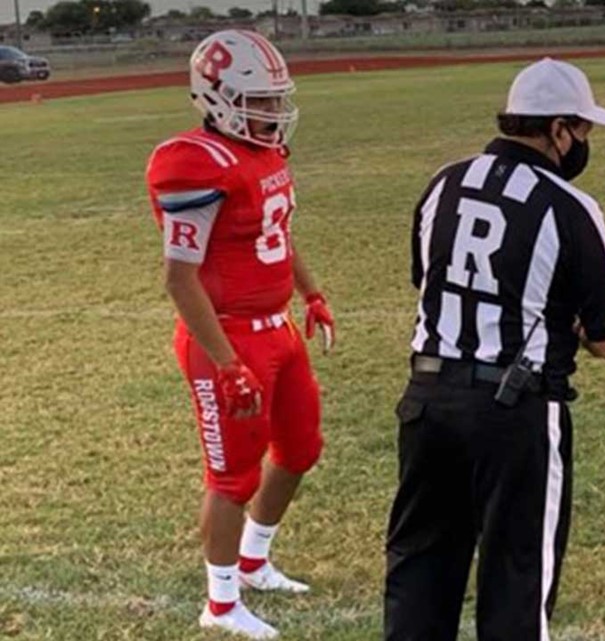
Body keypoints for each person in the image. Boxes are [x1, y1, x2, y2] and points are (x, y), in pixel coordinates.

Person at [384, 58, 605, 640]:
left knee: (420, 568)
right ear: (558, 129)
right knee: (517, 579)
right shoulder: (571, 207)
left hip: (427, 398)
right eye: (583, 131)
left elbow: (430, 279)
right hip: (513, 409)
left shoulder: (443, 181)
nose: (584, 144)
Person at [145, 30, 335, 640]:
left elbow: (276, 236)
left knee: (301, 448)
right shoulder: (195, 164)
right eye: (261, 101)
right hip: (224, 339)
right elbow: (179, 279)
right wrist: (227, 363)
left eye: (277, 100)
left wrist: (312, 293)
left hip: (276, 329)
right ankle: (220, 603)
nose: (274, 113)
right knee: (232, 477)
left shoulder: (266, 155)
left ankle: (254, 562)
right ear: (218, 96)